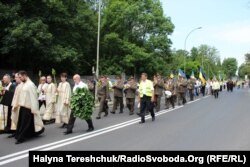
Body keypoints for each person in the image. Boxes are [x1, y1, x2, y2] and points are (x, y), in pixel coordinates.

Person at [13, 71, 44, 144]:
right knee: (24, 123)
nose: (20, 79)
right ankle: (32, 133)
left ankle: (21, 138)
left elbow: (33, 97)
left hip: (28, 107)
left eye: (20, 77)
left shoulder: (30, 85)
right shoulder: (24, 84)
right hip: (22, 106)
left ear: (24, 75)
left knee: (25, 124)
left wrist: (34, 108)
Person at [8, 73, 22, 138]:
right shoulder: (16, 85)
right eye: (15, 77)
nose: (15, 78)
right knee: (14, 118)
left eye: (16, 77)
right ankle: (15, 131)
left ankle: (19, 132)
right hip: (15, 104)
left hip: (20, 105)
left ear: (20, 77)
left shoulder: (22, 86)